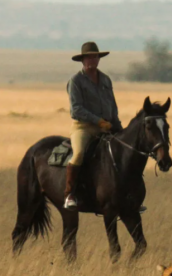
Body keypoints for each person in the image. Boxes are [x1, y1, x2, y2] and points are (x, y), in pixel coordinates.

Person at [64, 41, 123, 210]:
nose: (92, 60)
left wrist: (117, 127)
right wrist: (98, 121)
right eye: (88, 57)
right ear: (82, 60)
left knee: (124, 153)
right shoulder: (76, 81)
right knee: (79, 154)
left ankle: (127, 195)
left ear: (99, 59)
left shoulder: (105, 79)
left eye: (95, 57)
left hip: (106, 126)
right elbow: (76, 110)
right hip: (83, 128)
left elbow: (112, 105)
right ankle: (69, 194)